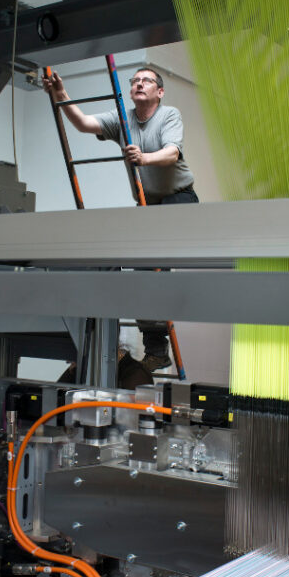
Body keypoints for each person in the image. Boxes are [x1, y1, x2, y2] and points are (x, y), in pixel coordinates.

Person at [42, 66, 198, 372]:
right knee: (141, 269)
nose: (139, 84)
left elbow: (172, 154)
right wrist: (61, 94)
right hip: (147, 202)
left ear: (159, 92)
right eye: (135, 80)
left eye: (147, 81)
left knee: (154, 266)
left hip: (178, 197)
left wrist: (144, 158)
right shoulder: (122, 118)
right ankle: (155, 348)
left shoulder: (169, 115)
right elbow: (85, 123)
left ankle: (156, 346)